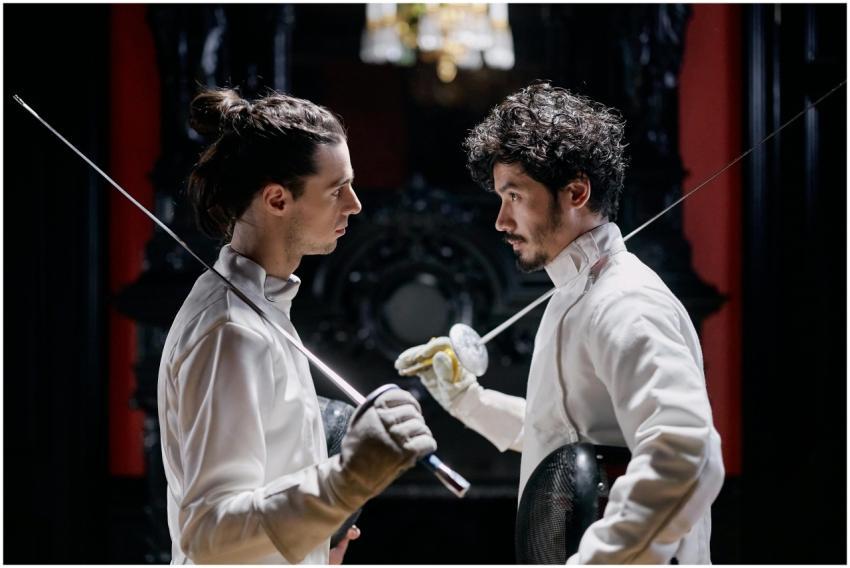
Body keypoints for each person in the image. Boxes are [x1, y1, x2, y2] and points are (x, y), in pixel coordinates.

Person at [396, 83, 724, 564]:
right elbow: (565, 434)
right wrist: (470, 400)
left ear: (576, 191)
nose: (501, 220)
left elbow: (685, 453)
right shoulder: (575, 294)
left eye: (514, 196)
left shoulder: (627, 302)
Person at [158, 88, 437, 564]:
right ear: (277, 199)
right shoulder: (231, 332)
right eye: (335, 190)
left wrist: (317, 543)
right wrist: (348, 480)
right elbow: (208, 535)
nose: (354, 204)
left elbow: (265, 501)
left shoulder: (263, 304)